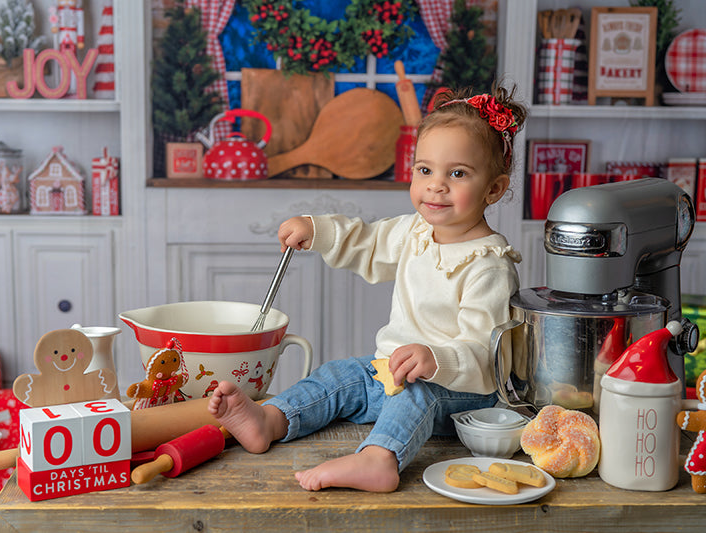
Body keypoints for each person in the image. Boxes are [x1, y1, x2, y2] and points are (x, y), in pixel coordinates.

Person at [208, 83, 528, 492]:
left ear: (494, 189)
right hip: (393, 373)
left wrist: (436, 359)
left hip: (460, 395)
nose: (436, 185)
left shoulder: (488, 264)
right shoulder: (415, 231)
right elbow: (368, 242)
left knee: (417, 394)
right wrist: (319, 231)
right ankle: (272, 420)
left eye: (458, 173)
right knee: (341, 375)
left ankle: (379, 459)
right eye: (425, 170)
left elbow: (487, 356)